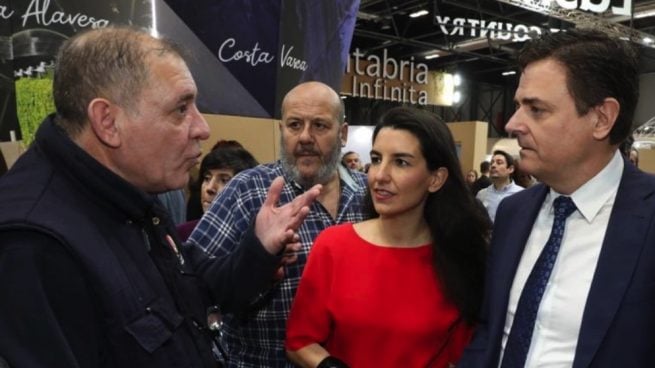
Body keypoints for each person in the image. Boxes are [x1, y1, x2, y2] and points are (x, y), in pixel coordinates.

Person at [0, 26, 321, 368]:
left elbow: (195, 295)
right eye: (181, 109)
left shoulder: (132, 196)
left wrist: (259, 249)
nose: (202, 128)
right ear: (107, 121)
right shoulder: (31, 245)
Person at [458, 29, 655, 367]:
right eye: (519, 106)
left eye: (536, 109)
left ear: (601, 118)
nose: (513, 124)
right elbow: (492, 331)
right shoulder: (513, 212)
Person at [285, 107, 489, 367]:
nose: (380, 176)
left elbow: (468, 352)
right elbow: (299, 340)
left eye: (401, 162)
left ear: (436, 179)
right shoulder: (334, 246)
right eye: (377, 158)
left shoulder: (459, 260)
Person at [188, 81, 367, 367]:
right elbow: (191, 280)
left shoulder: (369, 195)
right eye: (295, 125)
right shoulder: (248, 190)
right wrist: (256, 259)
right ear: (282, 130)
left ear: (343, 133)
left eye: (320, 125)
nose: (305, 137)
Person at [177, 143, 259, 241]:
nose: (210, 188)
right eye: (207, 178)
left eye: (224, 180)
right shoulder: (182, 234)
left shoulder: (260, 239)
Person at [476, 150, 523, 222]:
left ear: (510, 169)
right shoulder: (482, 194)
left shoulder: (521, 194)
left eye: (499, 163)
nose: (493, 166)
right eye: (492, 163)